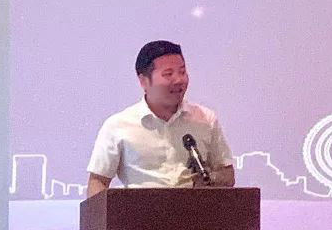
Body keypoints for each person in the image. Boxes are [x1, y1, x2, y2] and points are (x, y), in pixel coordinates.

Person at [87, 40, 235, 196]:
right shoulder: (117, 126)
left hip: (196, 209)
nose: (179, 80)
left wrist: (209, 179)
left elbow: (227, 174)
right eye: (168, 74)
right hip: (140, 210)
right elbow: (98, 181)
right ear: (144, 81)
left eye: (182, 71)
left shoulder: (205, 118)